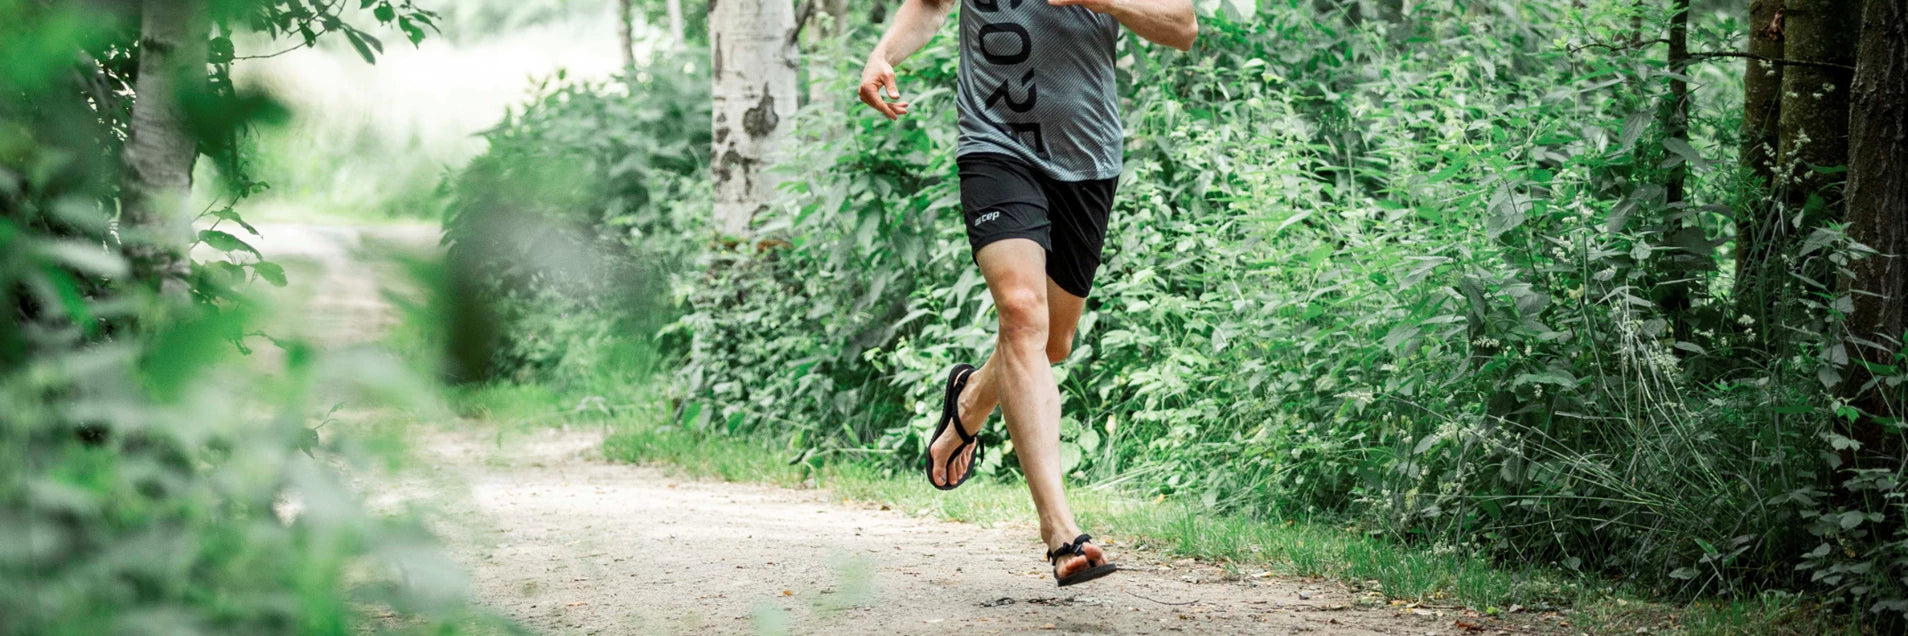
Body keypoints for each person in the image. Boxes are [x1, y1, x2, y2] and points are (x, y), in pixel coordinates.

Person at [857, 0, 1196, 587]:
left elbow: (1181, 26)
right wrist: (883, 54)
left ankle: (969, 400)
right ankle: (1060, 531)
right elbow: (931, 6)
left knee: (1051, 344)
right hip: (995, 146)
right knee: (1019, 312)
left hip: (1087, 157)